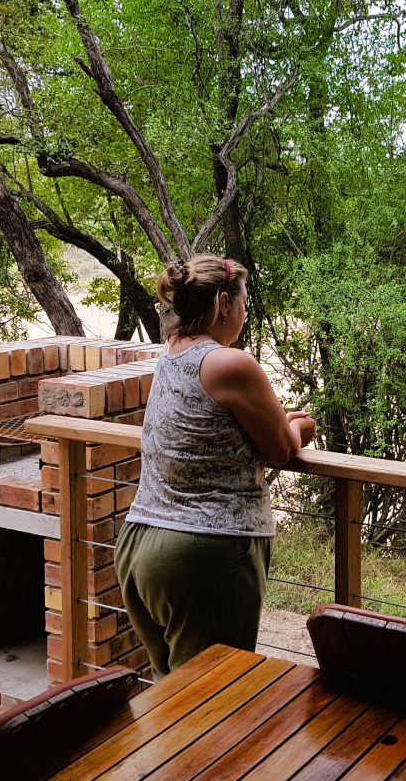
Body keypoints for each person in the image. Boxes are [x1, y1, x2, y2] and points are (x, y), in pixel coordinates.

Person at [115, 254, 316, 680]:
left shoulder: (171, 352)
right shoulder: (229, 363)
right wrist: (298, 428)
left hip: (140, 544)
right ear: (224, 304)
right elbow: (281, 449)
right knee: (212, 698)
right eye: (243, 301)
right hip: (203, 554)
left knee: (172, 693)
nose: (244, 311)